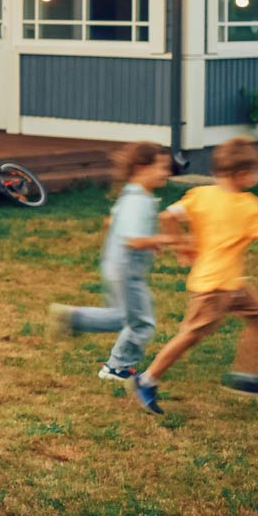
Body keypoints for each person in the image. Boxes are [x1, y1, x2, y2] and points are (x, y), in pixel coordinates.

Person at [133, 136, 258, 414]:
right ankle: (146, 380)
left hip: (230, 283)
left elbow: (168, 217)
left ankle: (247, 377)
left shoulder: (201, 195)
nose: (257, 176)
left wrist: (181, 247)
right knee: (191, 334)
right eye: (255, 172)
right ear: (241, 174)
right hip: (215, 288)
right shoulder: (251, 206)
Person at [46, 142, 178, 383]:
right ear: (141, 168)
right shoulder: (138, 200)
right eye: (161, 168)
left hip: (117, 266)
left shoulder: (132, 194)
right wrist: (165, 239)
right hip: (128, 271)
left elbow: (112, 223)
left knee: (122, 316)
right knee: (142, 324)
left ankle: (72, 318)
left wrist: (149, 241)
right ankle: (117, 367)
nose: (166, 173)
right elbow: (134, 239)